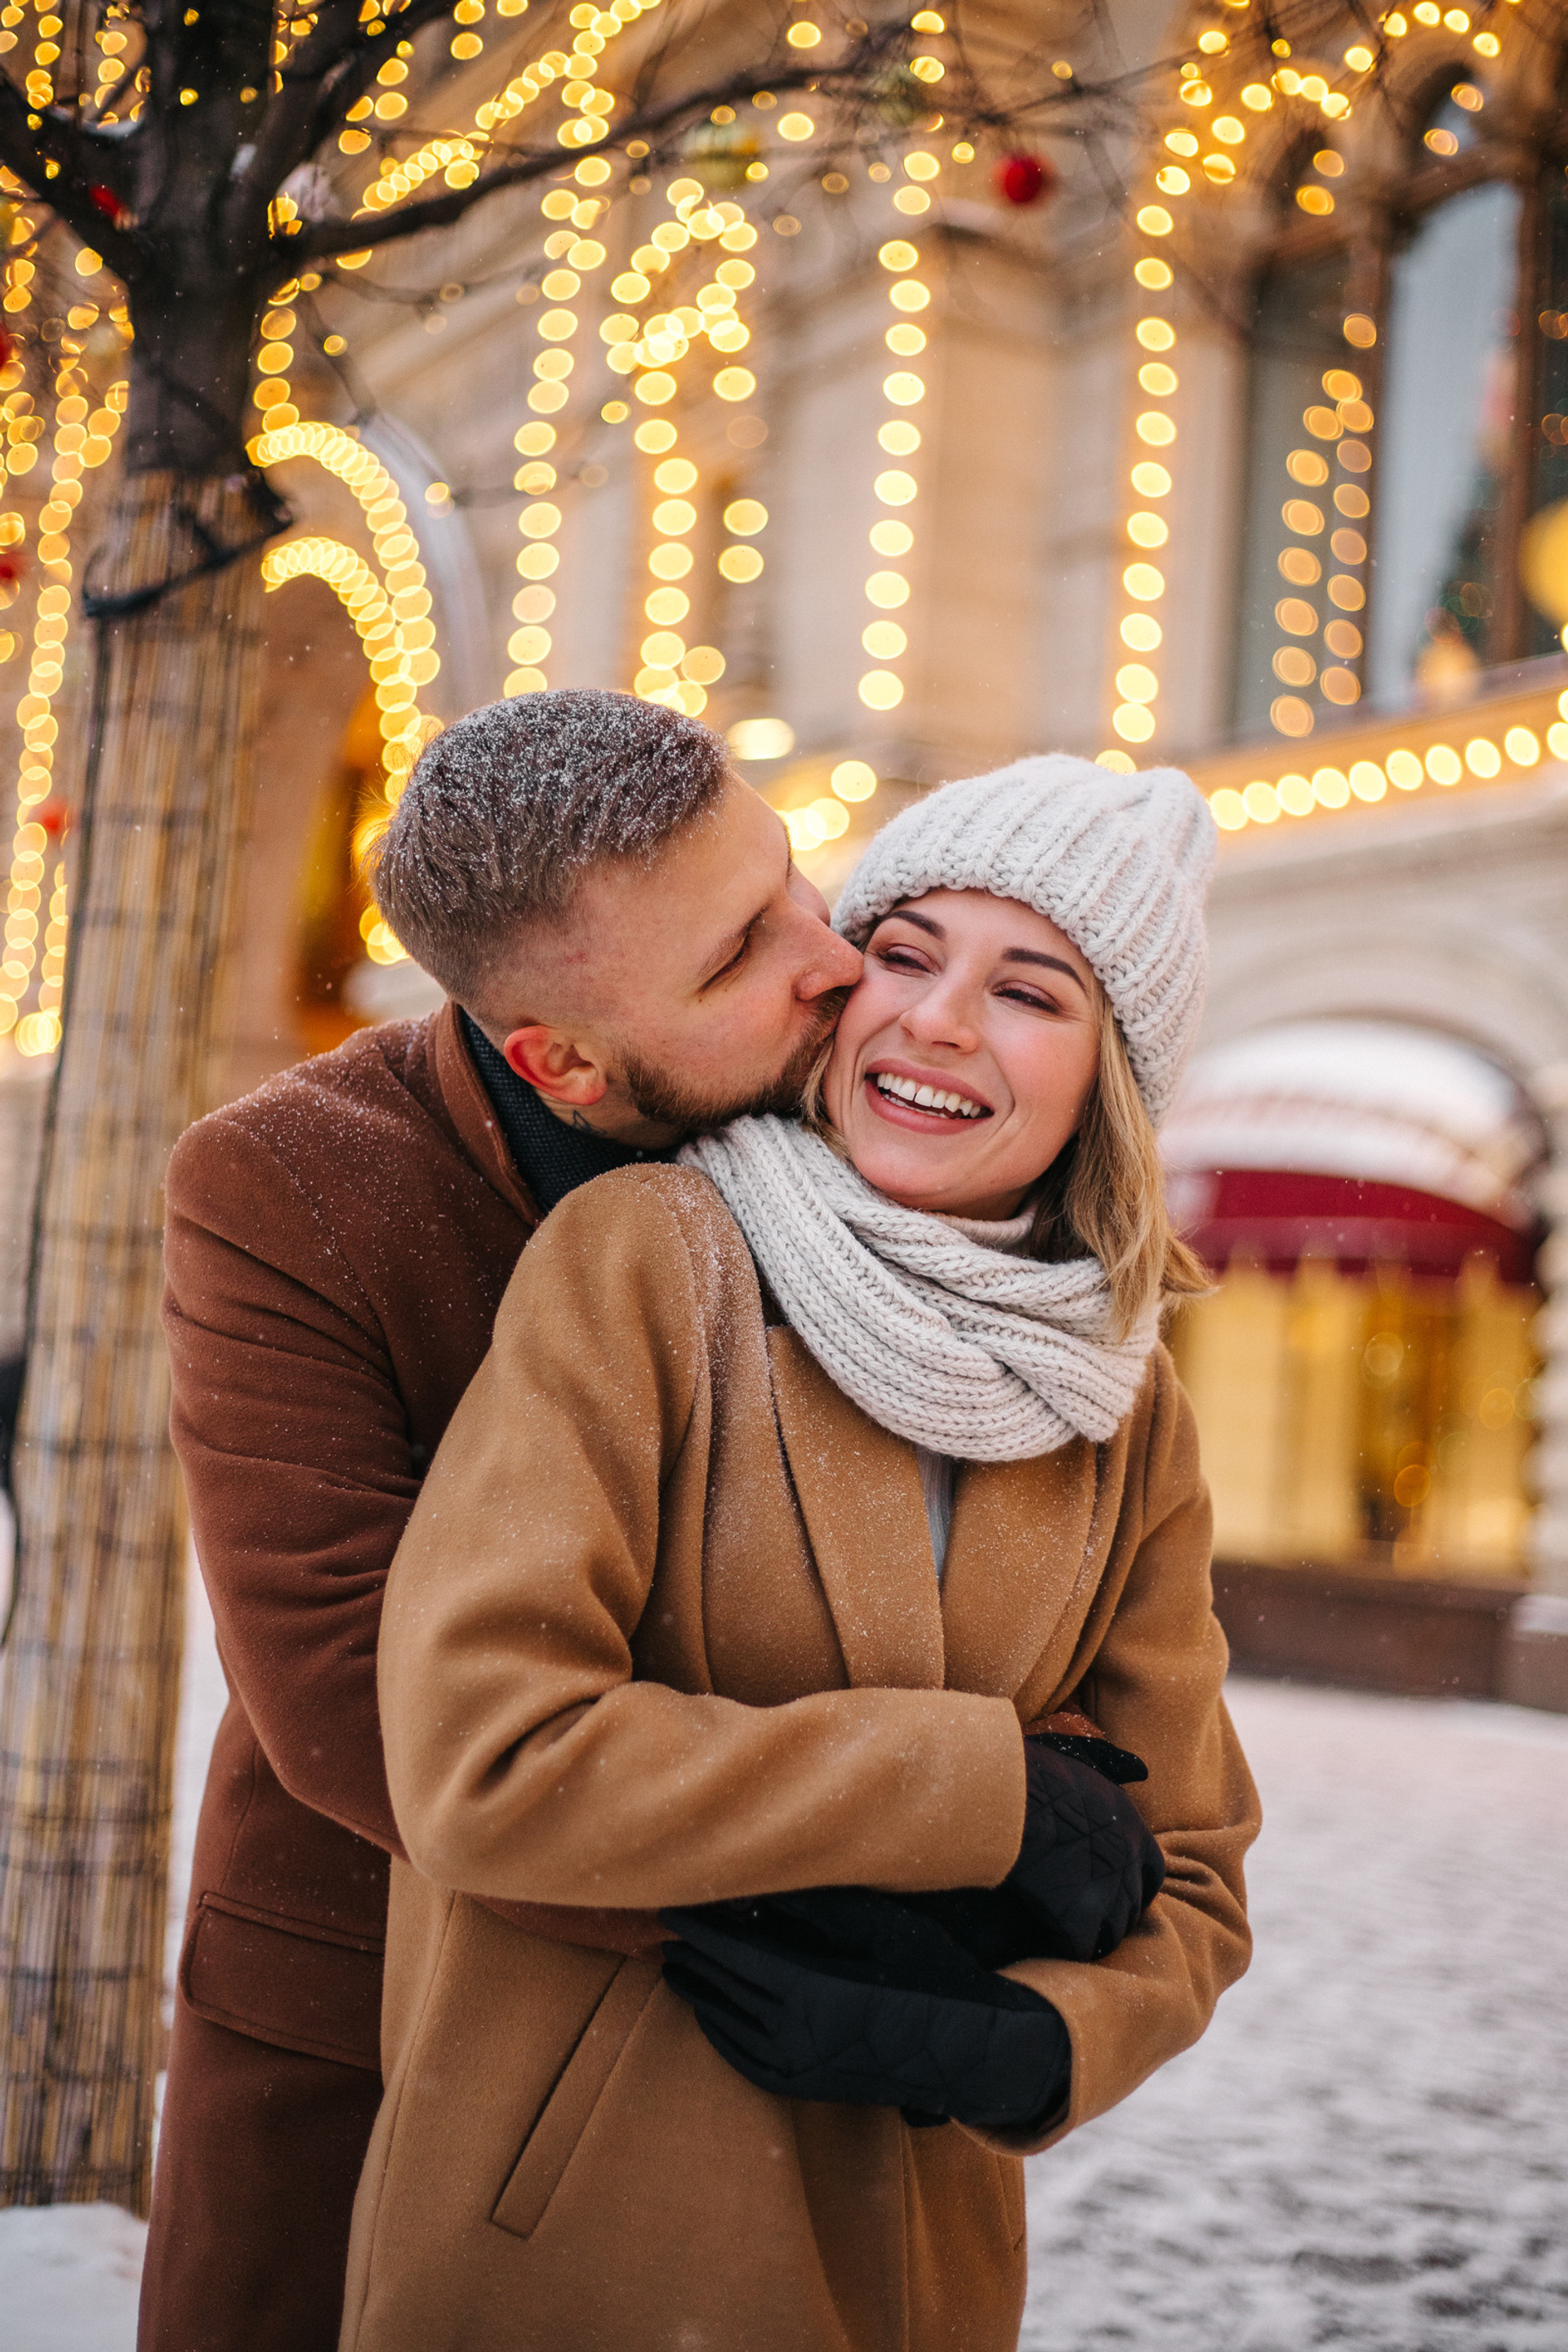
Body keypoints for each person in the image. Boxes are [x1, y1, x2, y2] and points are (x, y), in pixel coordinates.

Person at [341, 756, 1261, 2352]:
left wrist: (1038, 2045)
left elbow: (1191, 1874)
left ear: (1112, 1077)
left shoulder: (1127, 1407)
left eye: (1031, 992)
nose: (940, 1020)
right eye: (904, 953)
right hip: (565, 2242)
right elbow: (484, 1757)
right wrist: (978, 1795)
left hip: (911, 2265)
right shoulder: (650, 1263)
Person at [140, 690, 862, 2352]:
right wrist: (839, 1889)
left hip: (769, 2049)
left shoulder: (850, 1097)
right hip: (374, 2005)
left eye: (792, 880)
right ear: (560, 1058)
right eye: (741, 949)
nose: (830, 956)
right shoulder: (284, 1187)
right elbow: (343, 1706)